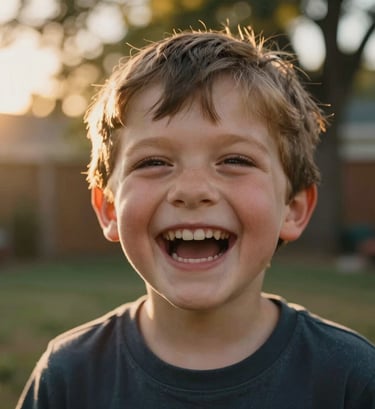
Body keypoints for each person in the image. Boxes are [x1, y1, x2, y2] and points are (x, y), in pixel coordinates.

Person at [16, 26, 375, 409]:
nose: (191, 189)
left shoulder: (350, 378)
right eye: (153, 162)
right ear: (108, 209)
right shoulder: (68, 375)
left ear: (293, 209)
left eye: (235, 160)